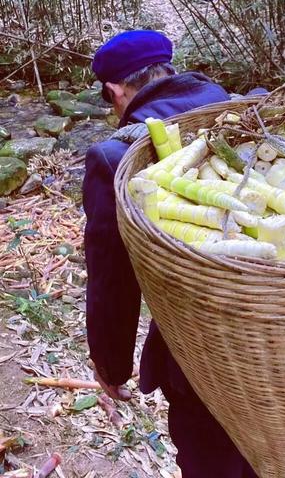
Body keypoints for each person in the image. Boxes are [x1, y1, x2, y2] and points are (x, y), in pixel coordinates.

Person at [82, 30, 262, 477]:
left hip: (203, 363)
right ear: (171, 69)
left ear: (115, 91)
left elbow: (113, 280)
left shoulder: (117, 158)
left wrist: (111, 367)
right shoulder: (255, 112)